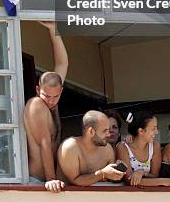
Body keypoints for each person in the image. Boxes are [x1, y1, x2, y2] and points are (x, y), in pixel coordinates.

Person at [23, 21, 68, 193]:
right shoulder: (37, 104)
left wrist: (53, 30)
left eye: (55, 96)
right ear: (37, 89)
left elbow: (62, 64)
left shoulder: (54, 92)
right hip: (39, 180)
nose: (50, 100)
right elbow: (44, 144)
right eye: (46, 96)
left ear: (61, 90)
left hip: (50, 181)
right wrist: (51, 179)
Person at [57, 110, 125, 185]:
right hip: (68, 196)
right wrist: (102, 174)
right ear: (91, 131)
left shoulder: (107, 149)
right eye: (105, 131)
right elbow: (75, 181)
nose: (108, 134)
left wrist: (119, 171)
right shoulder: (70, 147)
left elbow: (110, 179)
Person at [116, 111, 170, 187]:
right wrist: (162, 181)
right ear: (141, 131)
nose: (157, 132)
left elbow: (155, 175)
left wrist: (142, 172)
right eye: (153, 129)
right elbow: (129, 180)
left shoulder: (155, 146)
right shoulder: (122, 148)